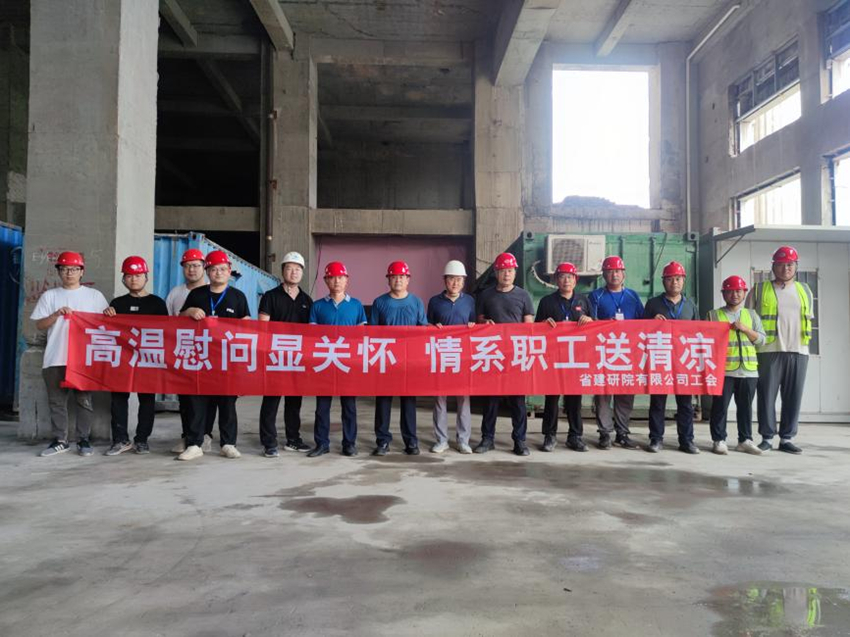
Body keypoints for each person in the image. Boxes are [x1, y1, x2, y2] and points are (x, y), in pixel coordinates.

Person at [31, 251, 109, 457]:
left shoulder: (94, 296)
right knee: (56, 402)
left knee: (84, 400)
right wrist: (56, 315)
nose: (69, 273)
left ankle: (83, 439)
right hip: (55, 356)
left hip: (83, 359)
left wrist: (110, 314)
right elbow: (40, 325)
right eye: (64, 269)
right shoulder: (50, 296)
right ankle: (60, 440)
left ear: (82, 272)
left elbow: (106, 325)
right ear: (58, 272)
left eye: (74, 269)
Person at [177, 250, 250, 461]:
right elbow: (180, 318)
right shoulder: (197, 295)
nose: (218, 273)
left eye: (222, 269)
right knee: (197, 402)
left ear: (229, 272)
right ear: (207, 272)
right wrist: (189, 312)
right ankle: (195, 444)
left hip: (227, 360)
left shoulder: (238, 296)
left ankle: (228, 443)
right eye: (214, 269)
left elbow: (247, 325)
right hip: (200, 359)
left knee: (227, 403)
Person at [746, 245, 814, 454]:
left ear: (796, 266)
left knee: (793, 395)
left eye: (790, 264)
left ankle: (786, 438)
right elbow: (747, 320)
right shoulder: (759, 289)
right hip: (768, 350)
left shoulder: (805, 290)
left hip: (799, 350)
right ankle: (767, 437)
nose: (786, 268)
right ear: (773, 266)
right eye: (781, 264)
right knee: (766, 395)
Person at [102, 256, 168, 456]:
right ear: (124, 279)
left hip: (148, 360)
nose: (134, 279)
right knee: (118, 399)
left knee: (147, 400)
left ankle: (142, 440)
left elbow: (167, 332)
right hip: (122, 359)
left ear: (146, 277)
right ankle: (120, 439)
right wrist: (107, 315)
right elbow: (107, 331)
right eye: (129, 276)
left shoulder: (157, 304)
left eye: (138, 275)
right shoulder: (117, 303)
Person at [474, 252, 535, 457]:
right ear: (496, 273)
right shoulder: (486, 295)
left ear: (515, 272)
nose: (506, 274)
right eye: (502, 271)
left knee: (518, 401)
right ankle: (487, 438)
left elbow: (529, 326)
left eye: (510, 270)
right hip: (493, 354)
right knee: (490, 399)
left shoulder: (523, 296)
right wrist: (485, 323)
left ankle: (519, 440)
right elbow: (479, 320)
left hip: (515, 355)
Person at [307, 261, 367, 457]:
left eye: (341, 277)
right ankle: (321, 444)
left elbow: (361, 335)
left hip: (347, 364)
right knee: (322, 407)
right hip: (325, 362)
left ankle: (349, 444)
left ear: (347, 280)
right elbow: (313, 337)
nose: (337, 281)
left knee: (349, 406)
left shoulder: (356, 305)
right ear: (326, 280)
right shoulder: (317, 306)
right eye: (332, 278)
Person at [258, 251, 314, 458]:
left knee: (294, 402)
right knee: (271, 401)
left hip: (297, 359)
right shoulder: (270, 296)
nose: (294, 272)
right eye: (289, 268)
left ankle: (293, 439)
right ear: (283, 271)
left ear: (302, 273)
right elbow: (262, 327)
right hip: (275, 357)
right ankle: (269, 443)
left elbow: (311, 332)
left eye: (297, 269)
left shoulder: (307, 300)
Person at [371, 261, 428, 456]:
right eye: (394, 277)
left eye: (402, 277)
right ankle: (382, 441)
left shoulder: (416, 302)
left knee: (408, 402)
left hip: (408, 362)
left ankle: (411, 441)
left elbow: (423, 330)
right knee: (383, 402)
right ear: (388, 280)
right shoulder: (379, 302)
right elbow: (372, 333)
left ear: (408, 279)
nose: (398, 280)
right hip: (385, 360)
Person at [534, 261, 593, 452]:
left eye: (570, 277)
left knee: (574, 399)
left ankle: (575, 436)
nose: (566, 280)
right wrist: (543, 323)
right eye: (562, 276)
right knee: (551, 398)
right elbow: (535, 329)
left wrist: (590, 320)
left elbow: (595, 327)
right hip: (554, 358)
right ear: (556, 280)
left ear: (575, 280)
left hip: (576, 359)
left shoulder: (584, 301)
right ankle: (549, 436)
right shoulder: (546, 302)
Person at [587, 255, 644, 450]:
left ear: (624, 274)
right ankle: (605, 433)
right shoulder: (596, 296)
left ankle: (622, 433)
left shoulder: (632, 296)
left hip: (628, 352)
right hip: (604, 352)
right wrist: (605, 324)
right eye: (610, 271)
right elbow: (590, 323)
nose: (614, 275)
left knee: (625, 392)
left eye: (618, 271)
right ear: (604, 274)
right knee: (603, 393)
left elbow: (643, 322)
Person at [643, 261, 700, 454]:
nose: (674, 282)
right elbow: (640, 331)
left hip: (684, 362)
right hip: (660, 360)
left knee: (685, 404)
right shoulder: (653, 304)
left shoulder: (690, 306)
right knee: (658, 402)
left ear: (684, 281)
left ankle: (686, 440)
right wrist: (651, 322)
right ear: (663, 281)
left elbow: (698, 333)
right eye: (670, 279)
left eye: (678, 278)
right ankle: (656, 439)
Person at [707, 275, 765, 456]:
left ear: (744, 293)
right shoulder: (713, 315)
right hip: (723, 371)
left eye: (738, 291)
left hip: (748, 371)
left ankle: (745, 440)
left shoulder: (751, 315)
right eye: (730, 291)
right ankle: (719, 440)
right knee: (720, 408)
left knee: (745, 408)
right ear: (723, 293)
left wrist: (746, 329)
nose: (734, 295)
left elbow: (762, 340)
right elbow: (705, 341)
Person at [166, 248, 214, 455]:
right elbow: (169, 322)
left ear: (204, 268)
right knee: (185, 398)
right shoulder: (175, 293)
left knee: (208, 398)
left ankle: (206, 435)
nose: (192, 270)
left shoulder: (214, 290)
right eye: (187, 266)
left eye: (195, 265)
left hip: (208, 353)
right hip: (184, 351)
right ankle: (187, 436)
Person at [427, 260, 476, 454]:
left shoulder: (470, 301)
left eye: (458, 279)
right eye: (451, 279)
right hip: (442, 355)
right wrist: (432, 327)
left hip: (462, 357)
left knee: (464, 399)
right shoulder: (434, 301)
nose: (455, 283)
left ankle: (463, 440)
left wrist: (473, 326)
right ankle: (441, 440)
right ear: (445, 281)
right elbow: (426, 326)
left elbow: (475, 325)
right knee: (440, 399)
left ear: (463, 281)